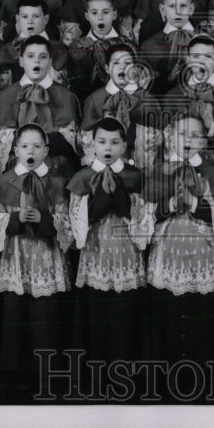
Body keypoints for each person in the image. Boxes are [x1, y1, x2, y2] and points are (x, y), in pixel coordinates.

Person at [0, 123, 73, 383]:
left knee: (46, 312)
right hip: (16, 256)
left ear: (46, 151)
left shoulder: (57, 183)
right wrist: (14, 220)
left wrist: (44, 219)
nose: (31, 151)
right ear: (15, 149)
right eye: (25, 146)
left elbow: (68, 223)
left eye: (37, 146)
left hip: (46, 255)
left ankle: (47, 367)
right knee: (16, 310)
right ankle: (17, 370)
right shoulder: (4, 182)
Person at [67, 116, 151, 379]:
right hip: (96, 252)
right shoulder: (83, 177)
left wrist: (119, 196)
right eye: (102, 141)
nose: (108, 147)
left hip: (127, 252)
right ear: (93, 144)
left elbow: (142, 218)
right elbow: (75, 220)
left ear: (124, 147)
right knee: (98, 309)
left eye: (114, 142)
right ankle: (96, 369)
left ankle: (126, 368)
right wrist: (101, 199)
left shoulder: (135, 176)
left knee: (125, 310)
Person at [142, 113, 214, 370]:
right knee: (167, 310)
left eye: (195, 135)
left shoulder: (211, 171)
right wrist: (167, 205)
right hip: (168, 250)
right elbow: (145, 214)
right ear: (171, 137)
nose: (188, 140)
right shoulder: (159, 170)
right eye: (182, 134)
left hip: (201, 251)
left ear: (203, 141)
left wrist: (195, 204)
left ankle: (199, 372)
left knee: (200, 314)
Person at [0, 35, 82, 175]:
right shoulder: (5, 97)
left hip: (56, 173)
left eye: (43, 57)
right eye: (30, 56)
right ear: (21, 61)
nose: (37, 61)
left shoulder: (67, 97)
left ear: (50, 62)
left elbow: (74, 141)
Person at [80, 44, 151, 165]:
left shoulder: (147, 99)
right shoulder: (94, 99)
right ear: (107, 68)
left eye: (127, 63)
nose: (122, 68)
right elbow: (86, 136)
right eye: (116, 63)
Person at [0, 0, 73, 91]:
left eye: (36, 16)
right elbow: (3, 90)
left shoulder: (59, 49)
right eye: (25, 16)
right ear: (18, 19)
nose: (30, 21)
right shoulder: (7, 50)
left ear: (45, 19)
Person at [137, 0, 197, 95]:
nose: (178, 12)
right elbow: (144, 86)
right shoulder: (149, 45)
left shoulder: (204, 41)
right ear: (163, 10)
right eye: (172, 6)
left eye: (183, 6)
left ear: (191, 9)